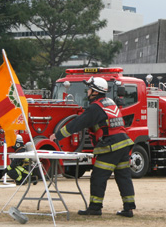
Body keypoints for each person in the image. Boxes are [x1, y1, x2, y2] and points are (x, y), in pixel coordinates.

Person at [50, 76, 136, 217]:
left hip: (111, 146)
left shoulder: (96, 107)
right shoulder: (110, 103)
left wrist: (57, 135)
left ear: (95, 91)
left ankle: (95, 208)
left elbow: (78, 123)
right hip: (124, 144)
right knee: (123, 177)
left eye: (89, 89)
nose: (88, 92)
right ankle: (129, 208)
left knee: (98, 176)